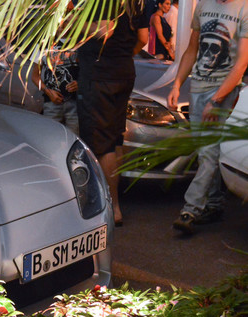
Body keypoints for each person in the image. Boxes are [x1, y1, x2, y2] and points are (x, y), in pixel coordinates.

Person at [168, 0, 248, 234]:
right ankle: (213, 205)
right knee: (204, 151)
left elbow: (242, 62)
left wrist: (217, 100)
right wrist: (177, 84)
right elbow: (192, 49)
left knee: (209, 152)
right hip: (198, 89)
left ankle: (190, 209)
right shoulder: (203, 5)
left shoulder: (244, 8)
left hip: (222, 91)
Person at [76, 0, 149, 227]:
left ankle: (111, 207)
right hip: (123, 72)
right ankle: (115, 201)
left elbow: (104, 30)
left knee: (101, 143)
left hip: (100, 76)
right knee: (115, 138)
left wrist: (74, 21)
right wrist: (122, 57)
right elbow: (144, 39)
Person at [32, 44, 80, 135]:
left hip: (75, 102)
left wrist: (80, 83)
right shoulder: (44, 44)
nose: (60, 28)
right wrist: (48, 91)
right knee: (51, 137)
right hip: (52, 102)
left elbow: (89, 71)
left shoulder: (80, 42)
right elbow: (34, 77)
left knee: (73, 139)